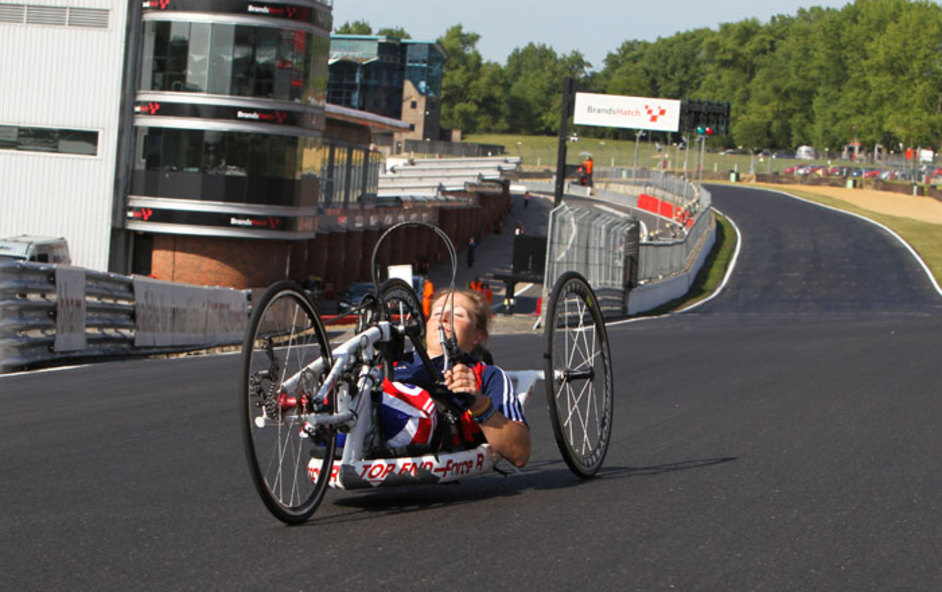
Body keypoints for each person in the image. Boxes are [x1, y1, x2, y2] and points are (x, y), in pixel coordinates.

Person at [386, 289, 530, 467]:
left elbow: (520, 453)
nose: (443, 317)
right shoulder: (392, 364)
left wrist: (478, 402)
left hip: (426, 424)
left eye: (458, 314)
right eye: (437, 313)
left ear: (477, 335)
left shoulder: (486, 374)